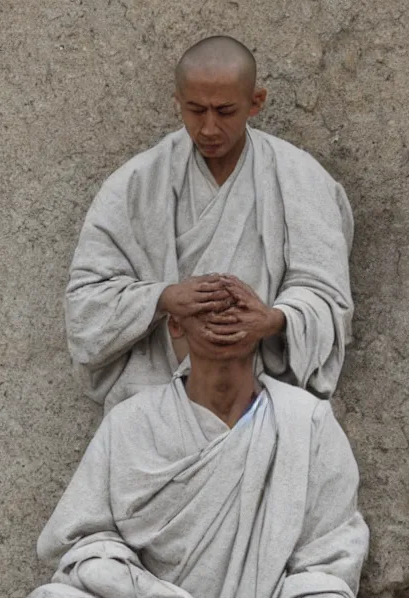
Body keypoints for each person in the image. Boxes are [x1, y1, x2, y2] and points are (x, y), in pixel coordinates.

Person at [21, 295, 397, 598]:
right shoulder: (131, 421)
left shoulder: (307, 421)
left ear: (264, 325)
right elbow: (87, 542)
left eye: (239, 307)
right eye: (205, 309)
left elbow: (327, 556)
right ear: (175, 327)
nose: (224, 319)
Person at [66, 35, 353, 411]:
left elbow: (328, 297)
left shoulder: (300, 178)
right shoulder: (136, 184)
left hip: (262, 402)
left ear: (256, 102)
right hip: (156, 401)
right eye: (196, 110)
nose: (209, 128)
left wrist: (273, 319)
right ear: (177, 102)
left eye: (225, 110)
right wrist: (164, 298)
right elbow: (85, 304)